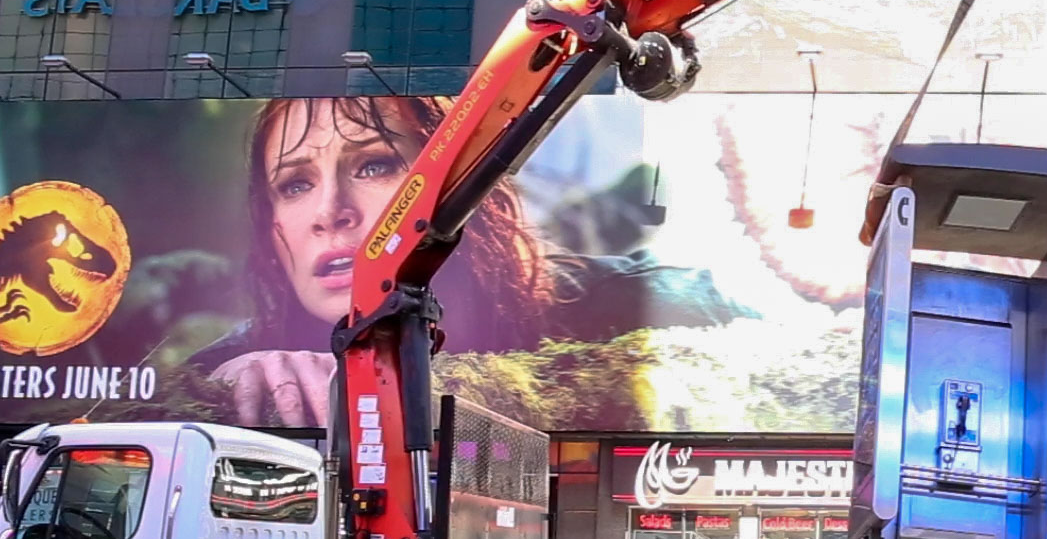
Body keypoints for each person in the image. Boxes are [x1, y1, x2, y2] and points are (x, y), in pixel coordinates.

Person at [192, 96, 753, 427]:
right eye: (294, 185)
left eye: (374, 166)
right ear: (271, 224)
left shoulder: (631, 303)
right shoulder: (237, 359)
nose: (328, 212)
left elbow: (787, 356)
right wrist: (216, 388)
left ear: (462, 189)